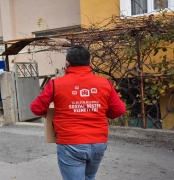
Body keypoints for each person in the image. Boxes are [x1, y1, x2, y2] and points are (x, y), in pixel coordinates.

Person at [30, 45, 126, 180]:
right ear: (90, 63)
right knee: (89, 177)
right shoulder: (105, 83)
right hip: (98, 143)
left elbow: (36, 108)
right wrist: (99, 112)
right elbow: (119, 110)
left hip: (70, 143)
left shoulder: (56, 84)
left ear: (67, 64)